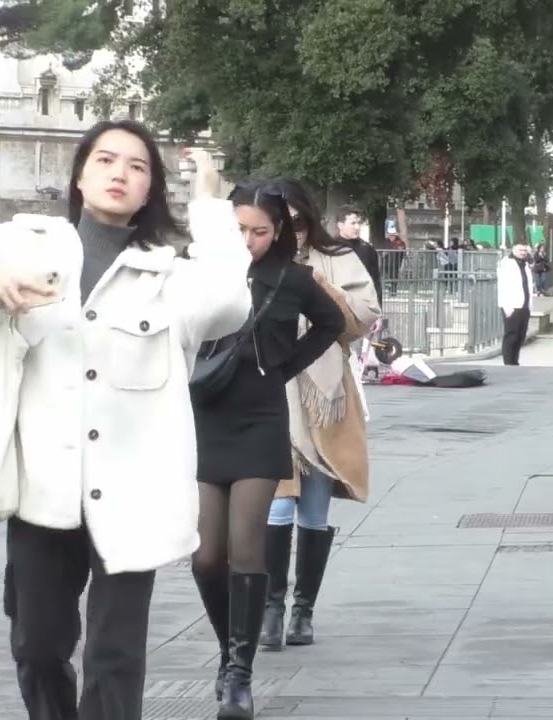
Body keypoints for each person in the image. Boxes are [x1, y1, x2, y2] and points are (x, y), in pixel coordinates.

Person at [0, 120, 252, 720]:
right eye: (106, 160)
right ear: (80, 174)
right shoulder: (28, 246)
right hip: (43, 491)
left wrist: (211, 202)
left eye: (137, 166)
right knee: (36, 646)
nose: (120, 173)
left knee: (115, 659)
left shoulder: (170, 278)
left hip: (132, 497)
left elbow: (230, 301)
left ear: (150, 190)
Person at [191, 180, 345, 720]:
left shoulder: (293, 278)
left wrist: (284, 366)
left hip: (260, 419)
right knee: (208, 556)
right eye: (240, 230)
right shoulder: (202, 271)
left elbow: (333, 324)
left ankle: (240, 674)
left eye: (260, 231)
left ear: (278, 231)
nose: (249, 240)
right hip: (206, 416)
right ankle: (226, 649)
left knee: (246, 547)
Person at [260, 179, 381, 652]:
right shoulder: (255, 258)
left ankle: (302, 610)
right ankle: (271, 608)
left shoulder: (339, 259)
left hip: (324, 388)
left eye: (298, 222)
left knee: (314, 501)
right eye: (280, 223)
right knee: (276, 500)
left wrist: (319, 287)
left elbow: (363, 315)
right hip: (269, 391)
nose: (292, 232)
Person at [496, 242, 534, 365]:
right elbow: (502, 286)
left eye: (524, 250)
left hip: (524, 305)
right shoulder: (506, 264)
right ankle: (508, 362)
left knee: (520, 335)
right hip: (512, 305)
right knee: (511, 335)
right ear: (513, 250)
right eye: (520, 250)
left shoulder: (526, 264)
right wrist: (506, 306)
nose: (523, 253)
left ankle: (515, 361)